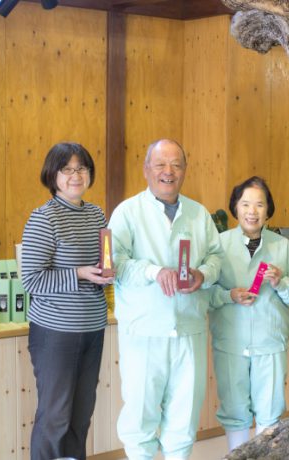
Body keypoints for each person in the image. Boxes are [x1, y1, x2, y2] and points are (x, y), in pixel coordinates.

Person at [108, 139, 223, 460]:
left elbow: (217, 258)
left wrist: (203, 274)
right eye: (160, 164)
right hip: (144, 332)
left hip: (190, 329)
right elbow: (116, 264)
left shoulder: (198, 214)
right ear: (146, 170)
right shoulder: (128, 213)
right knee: (140, 413)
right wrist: (154, 271)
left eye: (176, 165)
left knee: (185, 414)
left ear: (185, 170)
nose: (168, 172)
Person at [21, 142, 114, 460]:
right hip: (55, 333)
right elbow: (31, 280)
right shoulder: (44, 218)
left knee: (80, 417)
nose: (76, 175)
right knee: (55, 418)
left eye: (82, 168)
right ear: (53, 175)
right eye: (67, 169)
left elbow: (104, 262)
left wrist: (107, 273)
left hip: (92, 328)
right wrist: (79, 274)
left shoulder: (96, 213)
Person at [208, 176, 289, 451]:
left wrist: (281, 282)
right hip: (231, 342)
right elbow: (205, 292)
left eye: (259, 205)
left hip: (270, 341)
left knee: (270, 408)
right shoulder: (218, 244)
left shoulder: (282, 246)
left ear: (268, 210)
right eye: (246, 204)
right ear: (235, 208)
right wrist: (229, 295)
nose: (252, 211)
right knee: (234, 407)